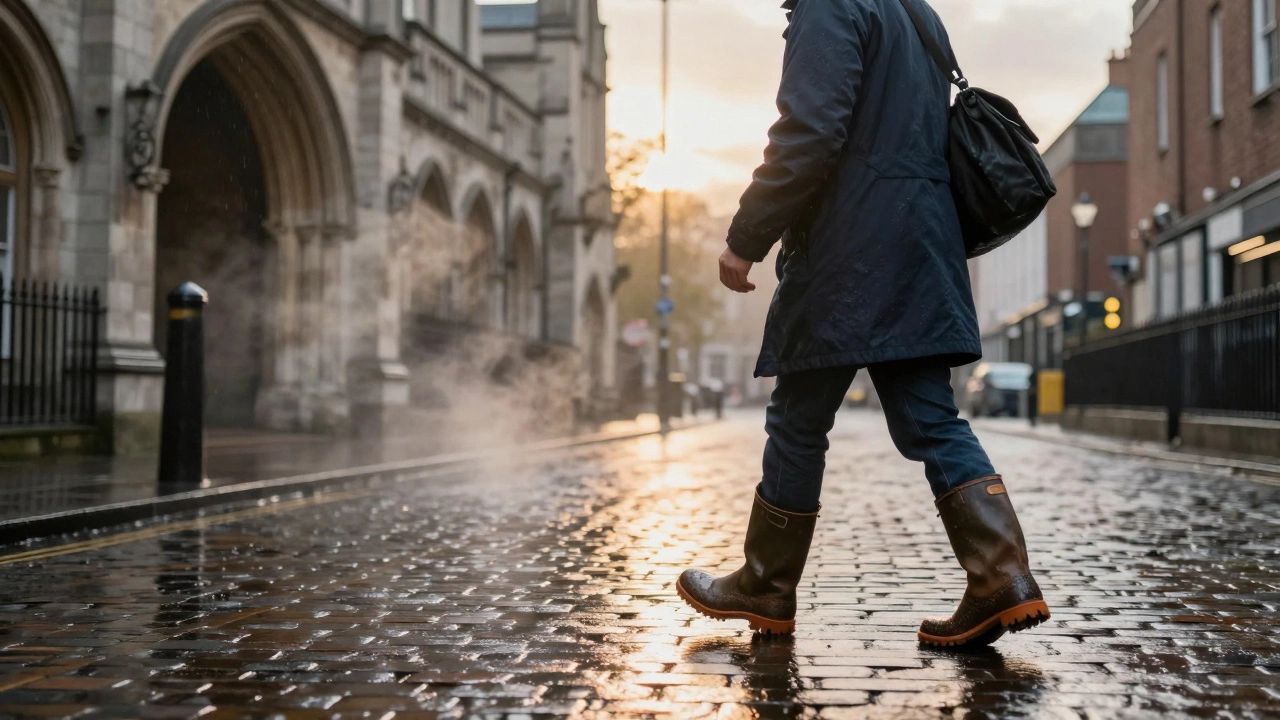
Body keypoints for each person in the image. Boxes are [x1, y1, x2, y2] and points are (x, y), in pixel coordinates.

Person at [676, 0, 1050, 648]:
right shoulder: (916, 11)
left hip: (848, 251)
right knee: (932, 420)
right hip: (919, 245)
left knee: (797, 418)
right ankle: (1001, 577)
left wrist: (746, 236)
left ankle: (766, 584)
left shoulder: (832, 5)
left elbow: (810, 131)